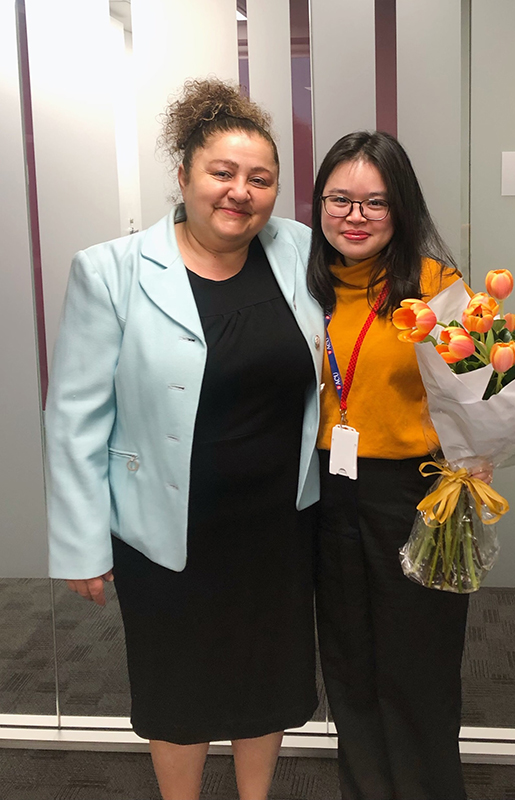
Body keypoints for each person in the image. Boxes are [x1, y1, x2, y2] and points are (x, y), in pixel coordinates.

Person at [45, 78, 324, 800]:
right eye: (222, 173)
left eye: (261, 179)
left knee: (268, 676)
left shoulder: (294, 249)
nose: (241, 192)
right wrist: (81, 541)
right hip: (166, 524)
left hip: (277, 521)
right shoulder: (111, 271)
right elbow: (76, 415)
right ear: (183, 177)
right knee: (179, 685)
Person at [308, 130, 471, 800]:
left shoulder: (436, 289)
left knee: (418, 666)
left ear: (401, 209)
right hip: (326, 493)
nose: (355, 216)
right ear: (318, 206)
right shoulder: (304, 288)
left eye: (374, 203)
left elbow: (487, 391)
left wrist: (480, 453)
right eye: (339, 199)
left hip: (415, 493)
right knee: (349, 662)